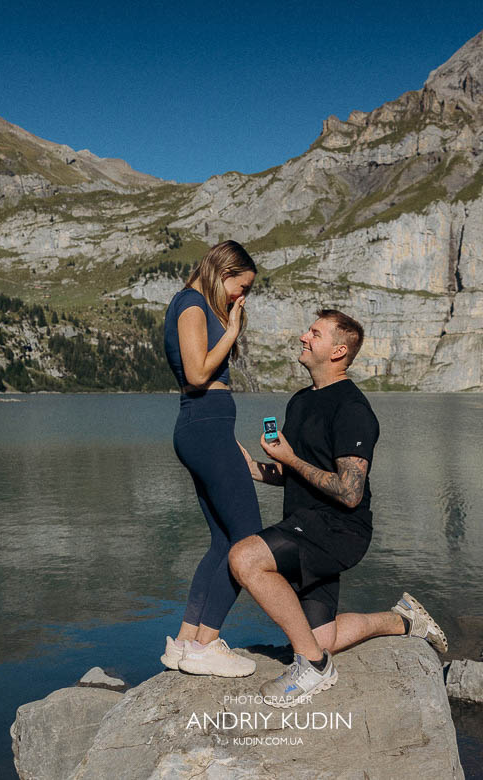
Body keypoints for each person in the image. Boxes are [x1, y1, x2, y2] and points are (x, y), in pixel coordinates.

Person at [229, 309, 448, 707]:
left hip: (337, 530)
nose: (303, 337)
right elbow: (291, 472)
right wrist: (252, 469)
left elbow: (349, 492)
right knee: (321, 638)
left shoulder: (352, 409)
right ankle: (403, 619)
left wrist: (291, 460)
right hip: (303, 523)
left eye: (314, 333)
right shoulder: (300, 402)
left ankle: (313, 668)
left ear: (338, 350)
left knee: (244, 559)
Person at [160, 240, 261, 678]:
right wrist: (234, 331)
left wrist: (227, 437)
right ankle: (207, 644)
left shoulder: (197, 304)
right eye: (241, 287)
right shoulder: (192, 303)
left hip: (208, 428)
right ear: (223, 271)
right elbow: (199, 373)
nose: (242, 297)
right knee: (249, 540)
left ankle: (185, 643)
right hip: (203, 425)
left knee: (223, 541)